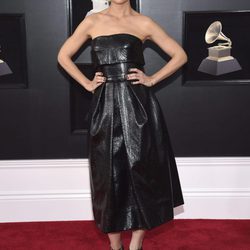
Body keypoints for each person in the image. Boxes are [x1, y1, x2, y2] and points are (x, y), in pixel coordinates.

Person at [57, 0, 188, 249]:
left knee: (142, 170)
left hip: (138, 104)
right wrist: (86, 83)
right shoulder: (92, 21)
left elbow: (180, 55)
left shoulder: (144, 22)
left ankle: (136, 243)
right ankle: (115, 245)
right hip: (105, 105)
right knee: (108, 175)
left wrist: (153, 79)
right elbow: (63, 56)